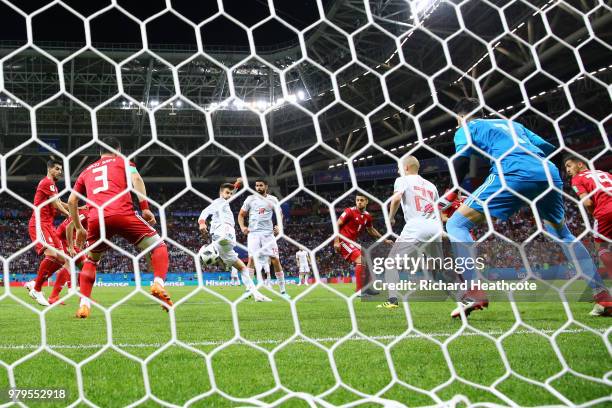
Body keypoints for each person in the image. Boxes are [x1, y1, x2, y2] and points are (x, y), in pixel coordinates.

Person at [442, 97, 611, 318]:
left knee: (456, 224)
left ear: (459, 116)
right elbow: (554, 151)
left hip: (512, 172)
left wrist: (451, 190)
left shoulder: (466, 126)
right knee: (563, 235)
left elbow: (462, 160)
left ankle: (474, 291)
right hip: (548, 172)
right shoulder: (513, 125)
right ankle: (603, 297)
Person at [69, 137, 172, 319]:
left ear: (100, 152)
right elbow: (136, 179)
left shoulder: (86, 171)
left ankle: (84, 305)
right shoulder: (123, 161)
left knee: (91, 261)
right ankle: (158, 283)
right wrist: (145, 208)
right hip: (123, 213)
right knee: (158, 246)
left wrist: (79, 228)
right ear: (117, 151)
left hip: (96, 219)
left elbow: (71, 201)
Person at [378, 155, 445, 309]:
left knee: (390, 263)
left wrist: (391, 218)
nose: (397, 170)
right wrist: (441, 230)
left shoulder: (402, 180)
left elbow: (395, 199)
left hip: (416, 226)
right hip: (434, 227)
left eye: (399, 167)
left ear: (406, 168)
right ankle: (465, 297)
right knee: (440, 267)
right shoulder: (431, 185)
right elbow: (438, 210)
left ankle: (392, 300)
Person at [200, 181, 271, 302]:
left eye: (230, 194)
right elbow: (205, 212)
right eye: (226, 193)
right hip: (222, 232)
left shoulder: (225, 202)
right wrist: (202, 223)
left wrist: (237, 184)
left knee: (243, 268)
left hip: (227, 244)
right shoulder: (218, 202)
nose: (228, 195)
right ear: (220, 193)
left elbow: (232, 192)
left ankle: (254, 293)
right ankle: (210, 248)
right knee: (225, 234)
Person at [25, 159, 70, 307]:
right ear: (50, 169)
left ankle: (34, 283)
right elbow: (56, 204)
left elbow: (59, 201)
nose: (60, 172)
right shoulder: (46, 182)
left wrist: (76, 208)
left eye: (61, 169)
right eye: (57, 169)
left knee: (63, 260)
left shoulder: (53, 186)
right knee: (51, 255)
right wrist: (70, 215)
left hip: (49, 225)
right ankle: (37, 290)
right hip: (39, 223)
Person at [238, 179, 290, 299]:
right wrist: (242, 227)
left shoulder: (273, 199)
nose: (258, 187)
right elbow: (241, 215)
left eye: (261, 185)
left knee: (275, 260)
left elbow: (280, 214)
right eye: (256, 185)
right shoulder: (250, 199)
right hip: (253, 234)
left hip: (268, 235)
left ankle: (283, 291)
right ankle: (249, 289)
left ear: (266, 186)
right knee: (251, 260)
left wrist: (279, 227)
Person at [334, 194, 391, 296]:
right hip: (343, 240)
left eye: (361, 200)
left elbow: (371, 230)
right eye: (357, 200)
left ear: (366, 202)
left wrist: (384, 240)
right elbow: (337, 224)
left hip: (353, 242)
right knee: (361, 260)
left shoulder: (367, 216)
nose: (359, 202)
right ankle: (359, 291)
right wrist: (336, 241)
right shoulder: (349, 211)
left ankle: (366, 287)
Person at [565, 156, 612, 278]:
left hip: (606, 211)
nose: (567, 170)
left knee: (601, 246)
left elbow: (587, 202)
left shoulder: (577, 178)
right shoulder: (604, 173)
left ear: (580, 164)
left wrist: (594, 214)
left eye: (569, 166)